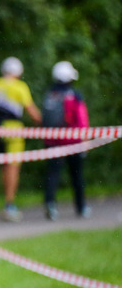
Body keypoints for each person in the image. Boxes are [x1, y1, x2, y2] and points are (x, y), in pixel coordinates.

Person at [0, 57, 42, 222]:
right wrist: (43, 124)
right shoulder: (20, 87)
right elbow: (32, 112)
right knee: (13, 166)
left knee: (4, 165)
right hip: (14, 130)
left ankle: (6, 201)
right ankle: (9, 204)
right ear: (18, 72)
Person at [42, 60, 91, 221]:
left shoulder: (50, 94)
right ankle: (81, 207)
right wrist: (85, 141)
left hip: (53, 141)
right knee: (77, 175)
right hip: (73, 142)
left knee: (52, 175)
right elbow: (82, 120)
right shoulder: (75, 95)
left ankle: (50, 205)